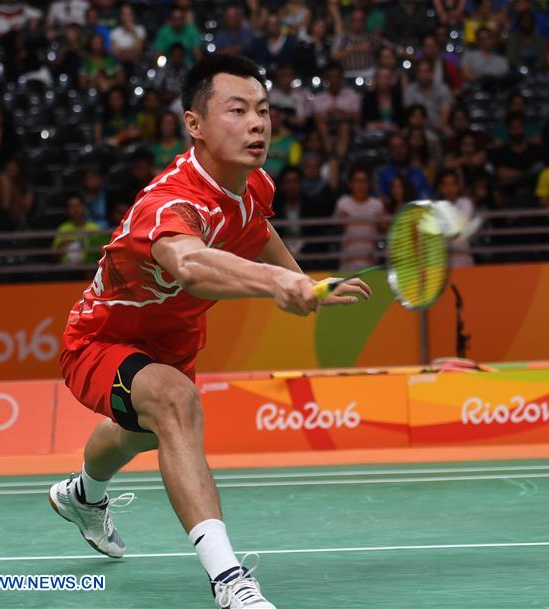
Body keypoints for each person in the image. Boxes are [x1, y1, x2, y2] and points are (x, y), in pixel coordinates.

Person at [49, 54, 370, 609]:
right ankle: (230, 581)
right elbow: (191, 264)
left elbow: (256, 226)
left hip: (173, 343)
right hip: (100, 340)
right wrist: (275, 283)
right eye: (238, 110)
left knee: (141, 432)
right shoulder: (169, 203)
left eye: (263, 110)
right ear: (194, 124)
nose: (258, 123)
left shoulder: (254, 184)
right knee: (176, 402)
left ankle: (82, 494)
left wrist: (303, 282)